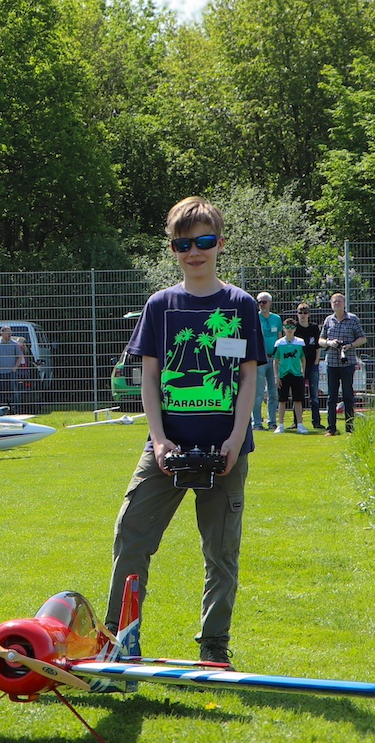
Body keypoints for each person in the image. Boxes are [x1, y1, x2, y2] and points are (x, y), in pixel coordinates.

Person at [106, 196, 264, 667]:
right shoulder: (160, 305)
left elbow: (247, 378)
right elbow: (150, 378)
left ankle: (214, 647)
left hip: (226, 450)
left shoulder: (240, 305)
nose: (194, 252)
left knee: (221, 552)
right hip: (166, 447)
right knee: (130, 534)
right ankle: (119, 640)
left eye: (204, 241)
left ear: (220, 244)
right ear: (173, 249)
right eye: (183, 244)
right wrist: (158, 440)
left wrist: (234, 440)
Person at [318, 293, 365, 434]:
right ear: (331, 304)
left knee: (348, 396)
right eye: (334, 302)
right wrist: (329, 343)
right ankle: (331, 428)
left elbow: (362, 338)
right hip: (331, 363)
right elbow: (320, 340)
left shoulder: (353, 319)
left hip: (348, 363)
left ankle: (350, 428)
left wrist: (350, 345)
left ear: (344, 303)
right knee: (331, 397)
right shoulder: (328, 320)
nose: (337, 303)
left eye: (339, 301)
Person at [272, 314, 309, 430]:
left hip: (297, 374)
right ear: (283, 328)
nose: (289, 329)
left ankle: (300, 424)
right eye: (287, 327)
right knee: (282, 400)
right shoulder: (279, 343)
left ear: (295, 329)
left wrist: (303, 372)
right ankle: (281, 425)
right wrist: (276, 376)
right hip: (283, 374)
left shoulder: (300, 342)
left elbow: (303, 358)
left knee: (298, 400)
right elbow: (275, 360)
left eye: (292, 327)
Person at [293, 300, 324, 427]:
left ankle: (316, 422)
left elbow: (318, 347)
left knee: (314, 395)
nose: (303, 315)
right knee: (298, 394)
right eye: (300, 313)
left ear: (309, 314)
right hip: (298, 366)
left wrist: (316, 362)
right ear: (297, 314)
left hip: (312, 365)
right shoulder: (295, 328)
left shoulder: (314, 328)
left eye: (305, 313)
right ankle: (297, 422)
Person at [255, 293, 283, 431]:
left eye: (264, 302)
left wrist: (279, 357)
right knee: (258, 393)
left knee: (273, 392)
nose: (262, 305)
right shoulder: (255, 317)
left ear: (270, 303)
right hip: (260, 359)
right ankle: (257, 423)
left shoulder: (276, 319)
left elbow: (280, 338)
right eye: (260, 302)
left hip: (274, 359)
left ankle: (272, 421)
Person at [0, 326, 24, 411]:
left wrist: (15, 368)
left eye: (10, 333)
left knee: (14, 391)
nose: (10, 335)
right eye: (8, 333)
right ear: (2, 333)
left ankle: (16, 409)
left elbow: (20, 357)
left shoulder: (14, 344)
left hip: (11, 373)